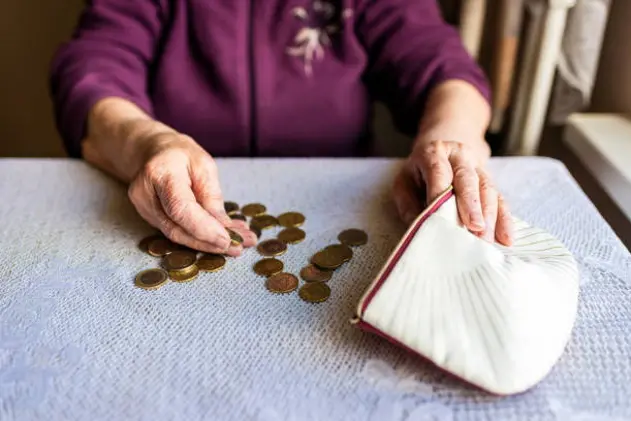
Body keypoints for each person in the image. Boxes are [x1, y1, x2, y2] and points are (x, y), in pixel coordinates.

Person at [49, 0, 513, 256]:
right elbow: (92, 70)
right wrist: (149, 142)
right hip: (162, 204)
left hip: (344, 208)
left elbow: (443, 66)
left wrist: (448, 139)